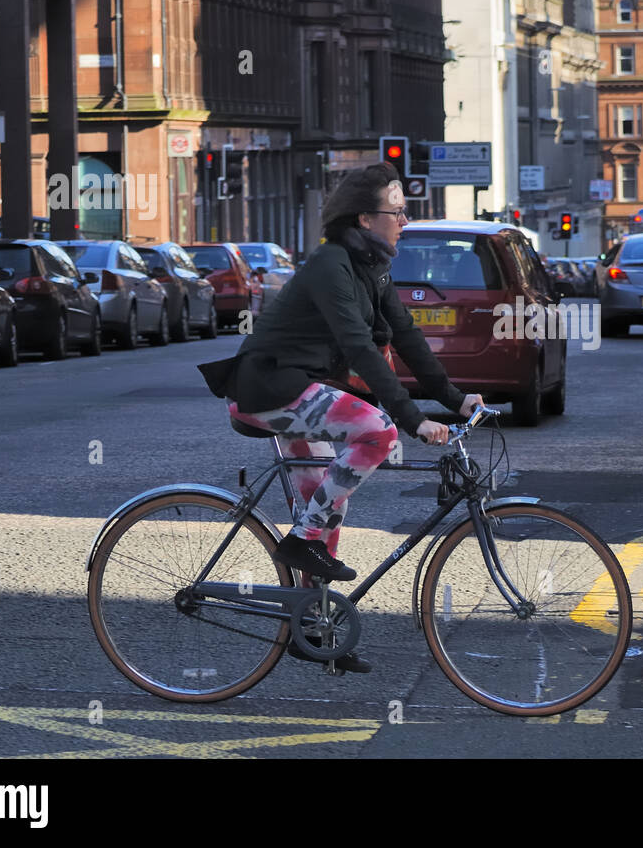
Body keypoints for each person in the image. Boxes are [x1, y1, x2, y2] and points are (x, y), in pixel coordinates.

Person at [197, 162, 482, 673]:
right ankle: (302, 543)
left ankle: (313, 629)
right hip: (268, 390)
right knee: (376, 431)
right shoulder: (331, 265)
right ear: (365, 218)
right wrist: (413, 419)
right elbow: (358, 346)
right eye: (397, 211)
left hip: (298, 389)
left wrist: (454, 397)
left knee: (326, 507)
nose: (406, 220)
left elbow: (405, 334)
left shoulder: (370, 266)